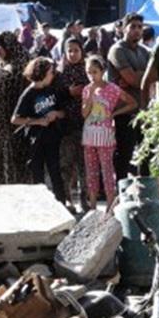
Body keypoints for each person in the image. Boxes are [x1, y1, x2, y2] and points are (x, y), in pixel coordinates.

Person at [12, 56, 70, 200]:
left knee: (55, 171)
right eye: (50, 72)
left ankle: (61, 202)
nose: (53, 75)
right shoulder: (29, 93)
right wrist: (37, 121)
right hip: (35, 140)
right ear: (42, 73)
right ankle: (41, 203)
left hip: (53, 137)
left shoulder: (51, 89)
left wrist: (56, 113)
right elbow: (15, 119)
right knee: (37, 173)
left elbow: (63, 112)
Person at [80, 55, 134, 211]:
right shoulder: (86, 89)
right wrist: (89, 95)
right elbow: (84, 114)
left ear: (102, 71)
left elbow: (132, 102)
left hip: (105, 135)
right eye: (89, 72)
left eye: (95, 72)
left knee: (107, 170)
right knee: (91, 171)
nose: (91, 76)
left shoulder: (112, 88)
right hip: (89, 136)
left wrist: (115, 113)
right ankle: (93, 207)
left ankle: (110, 207)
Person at [107, 14, 152, 176]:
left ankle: (144, 194)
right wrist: (142, 76)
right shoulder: (117, 50)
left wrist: (138, 76)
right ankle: (121, 196)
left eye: (140, 27)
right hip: (124, 112)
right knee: (124, 156)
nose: (137, 30)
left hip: (144, 110)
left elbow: (152, 79)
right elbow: (132, 80)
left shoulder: (145, 52)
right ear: (124, 28)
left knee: (147, 155)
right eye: (133, 26)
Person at [0, 32, 28, 185]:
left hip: (13, 116)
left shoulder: (21, 61)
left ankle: (13, 183)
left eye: (0, 46)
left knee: (12, 152)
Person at [56, 37, 90, 205]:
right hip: (66, 126)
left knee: (85, 165)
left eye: (76, 50)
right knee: (66, 164)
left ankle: (85, 199)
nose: (73, 54)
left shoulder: (88, 70)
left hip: (86, 124)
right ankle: (67, 199)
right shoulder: (59, 73)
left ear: (82, 52)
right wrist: (69, 92)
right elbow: (55, 96)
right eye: (69, 50)